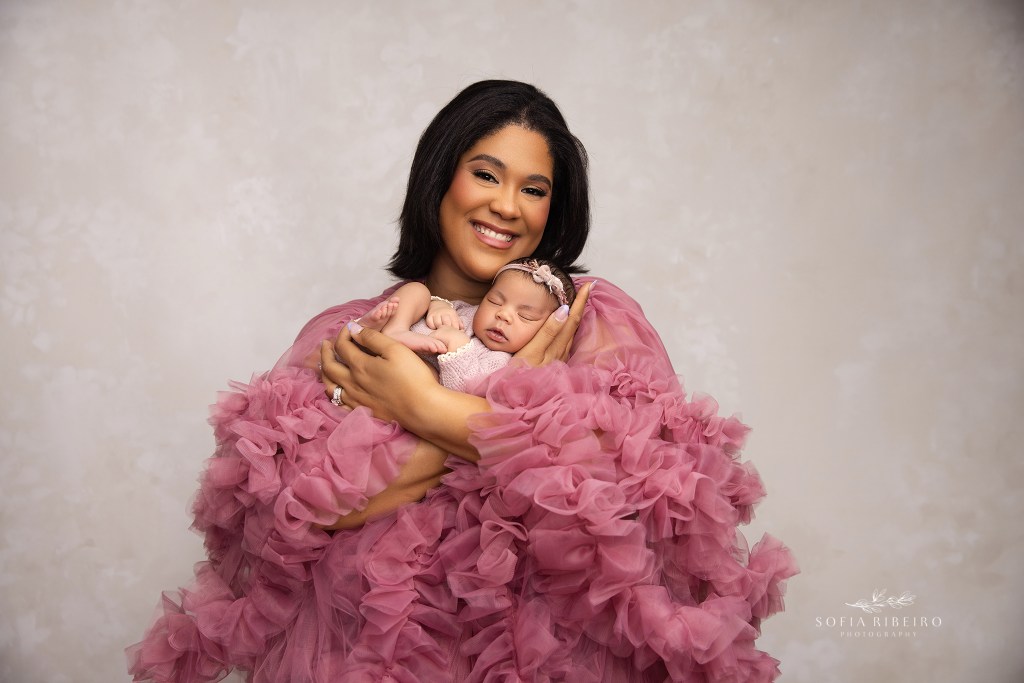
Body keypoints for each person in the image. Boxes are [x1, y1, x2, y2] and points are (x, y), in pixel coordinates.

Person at [127, 80, 797, 683]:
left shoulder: (587, 315)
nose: (507, 206)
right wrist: (512, 425)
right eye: (486, 174)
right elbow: (302, 515)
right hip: (361, 656)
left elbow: (622, 493)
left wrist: (419, 402)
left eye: (534, 189)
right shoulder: (363, 329)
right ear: (440, 177)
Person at [355, 257, 577, 393]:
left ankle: (372, 334)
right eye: (494, 301)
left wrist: (458, 346)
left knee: (427, 376)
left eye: (525, 316)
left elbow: (463, 390)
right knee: (418, 291)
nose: (503, 315)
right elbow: (440, 306)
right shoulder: (469, 313)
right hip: (383, 343)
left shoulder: (501, 362)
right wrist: (438, 305)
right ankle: (390, 329)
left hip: (396, 377)